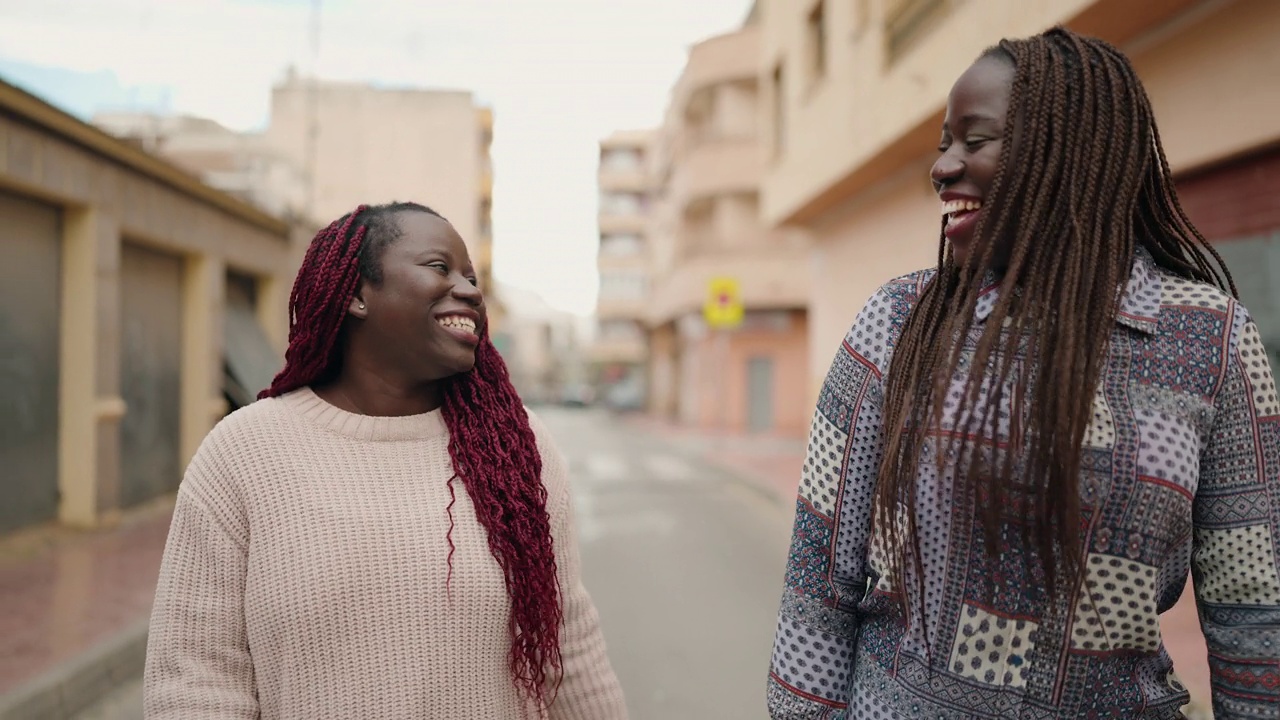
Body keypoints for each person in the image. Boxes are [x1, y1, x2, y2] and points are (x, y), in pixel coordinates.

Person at [767, 27, 1280, 719]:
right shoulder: (900, 321)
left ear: (1069, 150)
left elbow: (1255, 614)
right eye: (944, 143)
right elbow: (818, 578)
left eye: (973, 140)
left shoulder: (1210, 338)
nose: (942, 167)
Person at [144, 202, 629, 719]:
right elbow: (196, 678)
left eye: (471, 276)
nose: (468, 290)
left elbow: (568, 645)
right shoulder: (245, 452)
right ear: (355, 294)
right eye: (440, 268)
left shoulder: (516, 446)